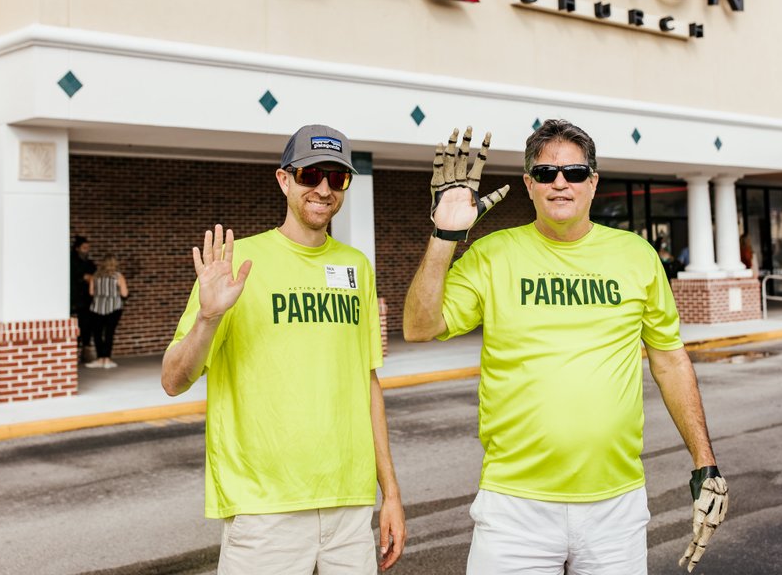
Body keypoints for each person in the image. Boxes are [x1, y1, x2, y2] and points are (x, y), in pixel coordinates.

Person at [403, 120, 728, 574]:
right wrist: (445, 235)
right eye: (545, 173)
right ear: (528, 185)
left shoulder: (637, 256)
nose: (560, 182)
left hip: (616, 507)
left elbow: (671, 362)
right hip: (514, 508)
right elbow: (419, 327)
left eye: (575, 173)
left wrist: (705, 465)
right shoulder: (493, 254)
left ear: (593, 183)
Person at [161, 124, 406, 574]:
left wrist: (389, 492)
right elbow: (173, 380)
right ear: (284, 179)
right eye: (311, 174)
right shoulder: (235, 267)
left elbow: (367, 381)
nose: (324, 189)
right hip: (264, 509)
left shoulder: (356, 267)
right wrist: (208, 317)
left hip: (349, 506)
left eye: (337, 177)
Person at [87, 255, 129, 369]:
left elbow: (91, 292)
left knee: (97, 334)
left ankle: (100, 359)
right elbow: (125, 293)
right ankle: (107, 360)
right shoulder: (118, 276)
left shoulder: (95, 276)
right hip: (113, 308)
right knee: (109, 334)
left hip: (96, 308)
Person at [69, 235, 95, 361]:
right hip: (74, 300)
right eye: (84, 247)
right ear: (77, 248)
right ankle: (73, 354)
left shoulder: (89, 263)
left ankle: (85, 353)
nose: (87, 250)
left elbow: (93, 277)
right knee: (76, 327)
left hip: (87, 300)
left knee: (87, 326)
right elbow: (86, 277)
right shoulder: (71, 262)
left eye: (88, 248)